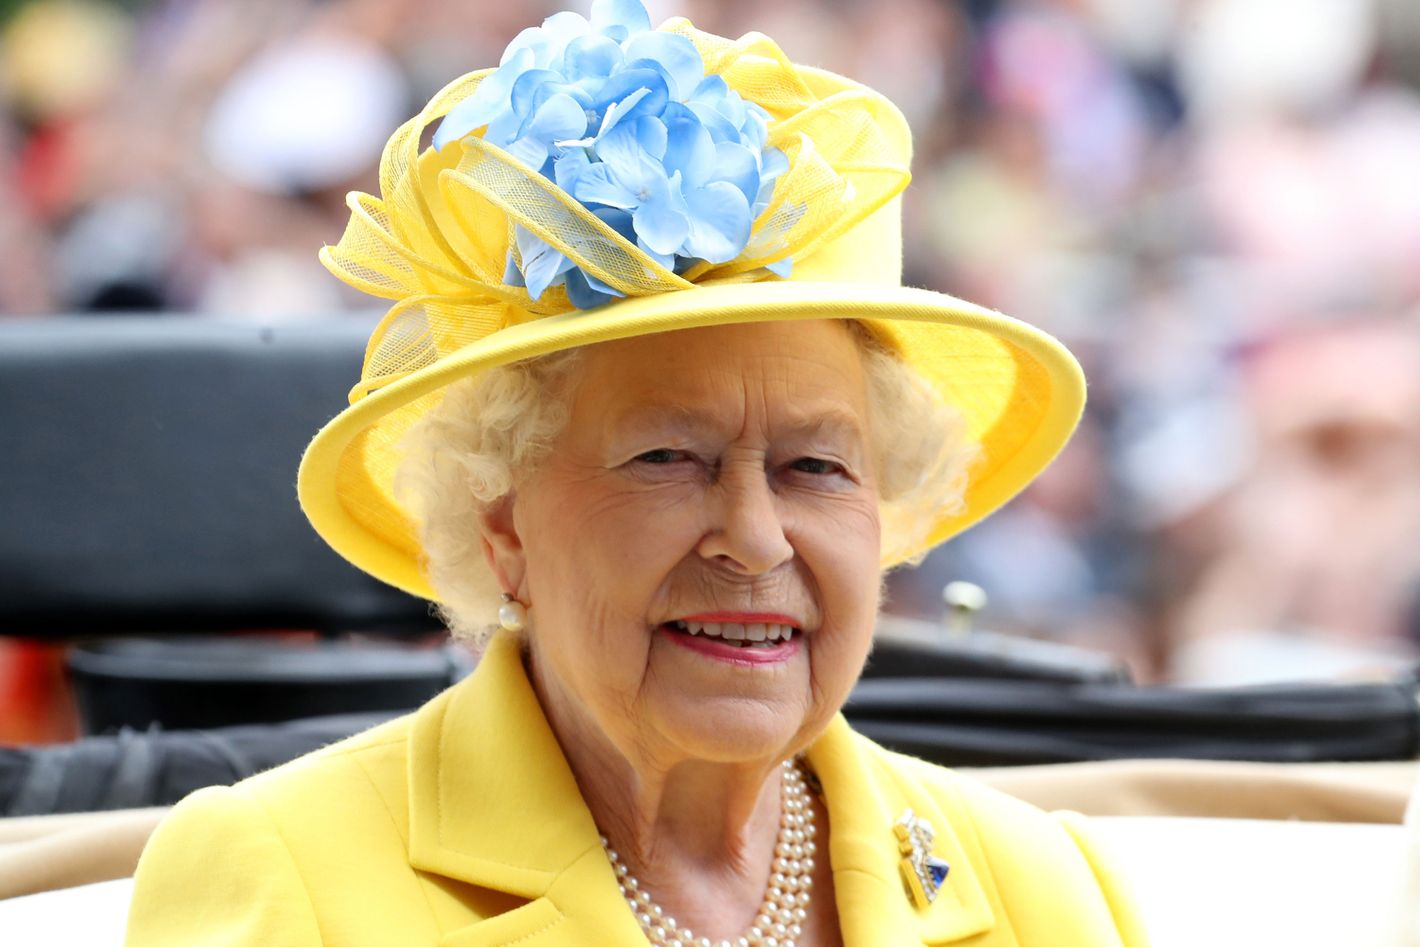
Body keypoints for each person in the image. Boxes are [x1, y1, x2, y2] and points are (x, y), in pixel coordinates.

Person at [125, 2, 1147, 944]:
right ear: (503, 521)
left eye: (815, 466)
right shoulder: (286, 874)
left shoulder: (1038, 885)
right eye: (667, 457)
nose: (752, 535)